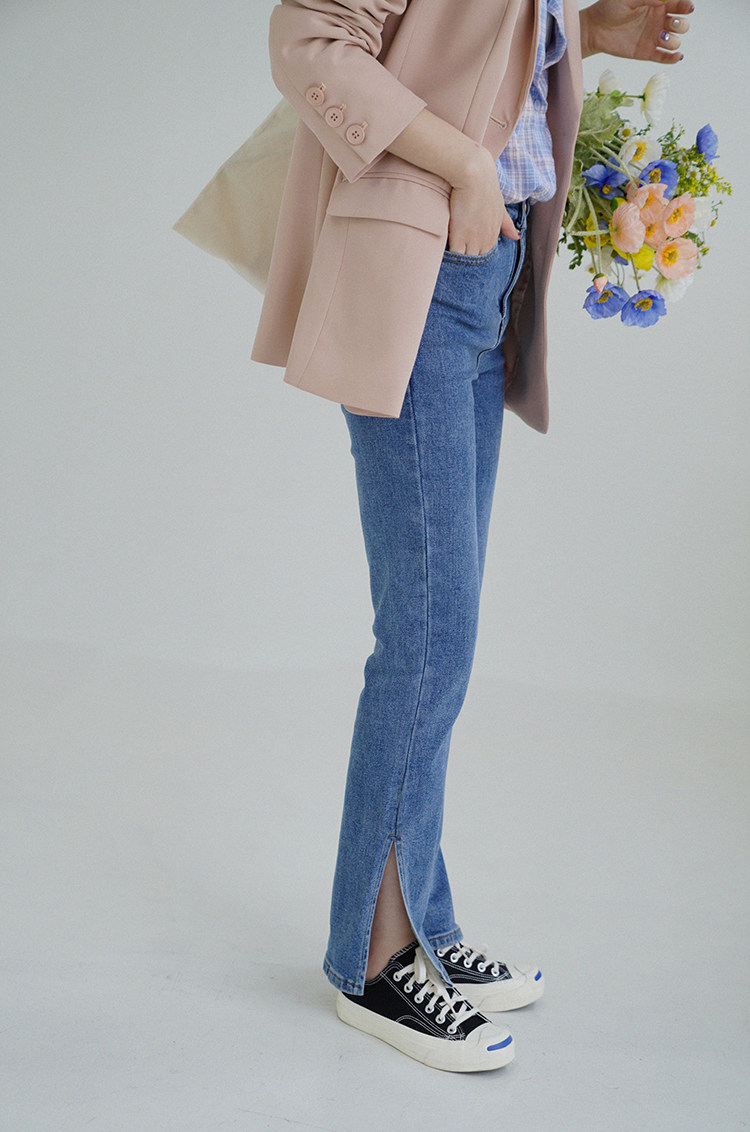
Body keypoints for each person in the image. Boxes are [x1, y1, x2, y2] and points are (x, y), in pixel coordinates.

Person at [252, 0, 694, 1072]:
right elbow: (308, 39)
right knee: (426, 639)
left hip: (488, 275)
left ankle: (421, 916)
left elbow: (467, 55)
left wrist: (583, 32)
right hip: (420, 276)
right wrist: (461, 163)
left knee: (443, 637)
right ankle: (373, 957)